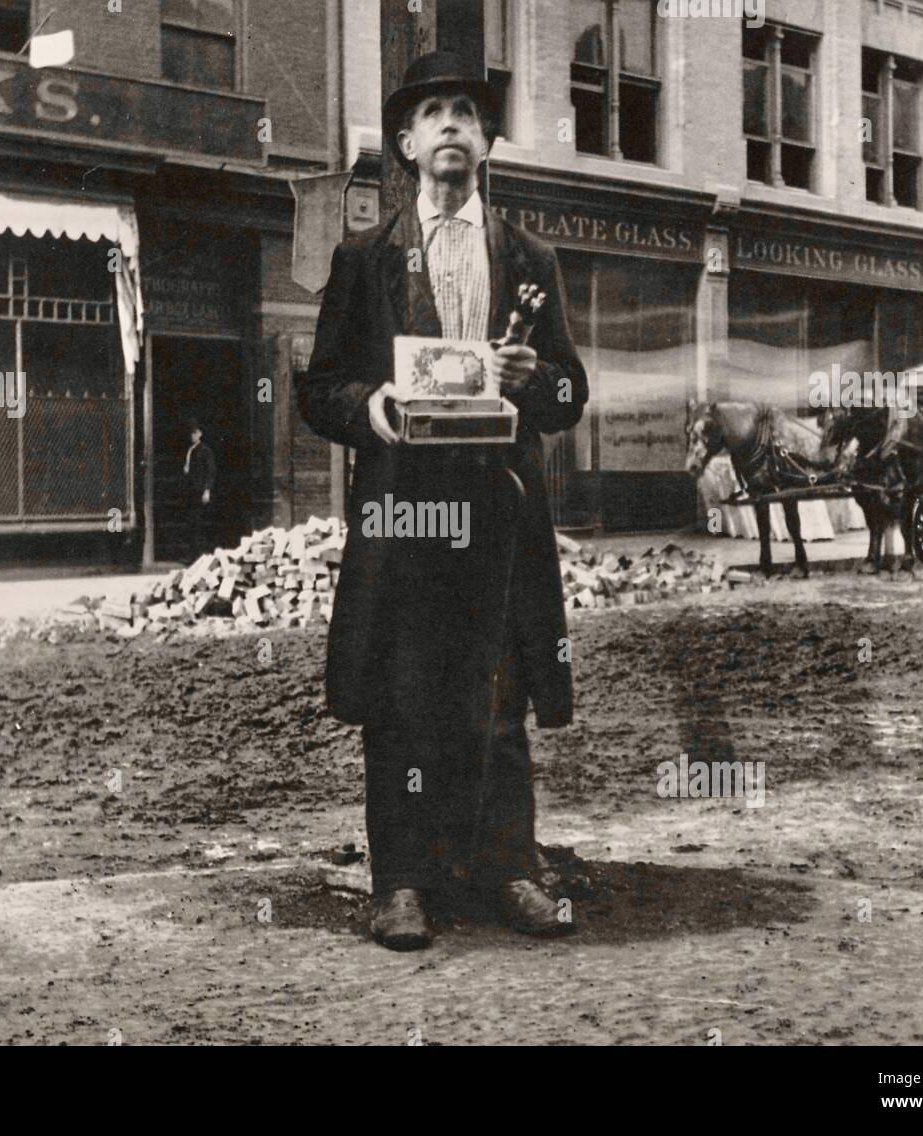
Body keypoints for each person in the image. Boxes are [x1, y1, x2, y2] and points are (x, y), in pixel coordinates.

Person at [296, 52, 589, 951]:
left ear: (488, 139)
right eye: (435, 113)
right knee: (403, 690)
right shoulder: (363, 259)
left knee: (498, 691)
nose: (453, 125)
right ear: (406, 142)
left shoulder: (530, 257)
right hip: (404, 510)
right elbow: (320, 390)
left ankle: (510, 867)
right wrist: (371, 407)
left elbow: (574, 395)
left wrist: (538, 382)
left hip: (499, 510)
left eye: (469, 111)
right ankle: (403, 884)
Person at [182, 423, 215, 558]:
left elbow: (211, 471)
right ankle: (193, 554)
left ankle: (200, 554)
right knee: (192, 522)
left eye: (195, 433)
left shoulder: (205, 450)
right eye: (191, 433)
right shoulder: (190, 449)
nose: (192, 436)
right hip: (191, 491)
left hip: (200, 491)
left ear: (200, 434)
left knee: (199, 522)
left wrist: (207, 490)